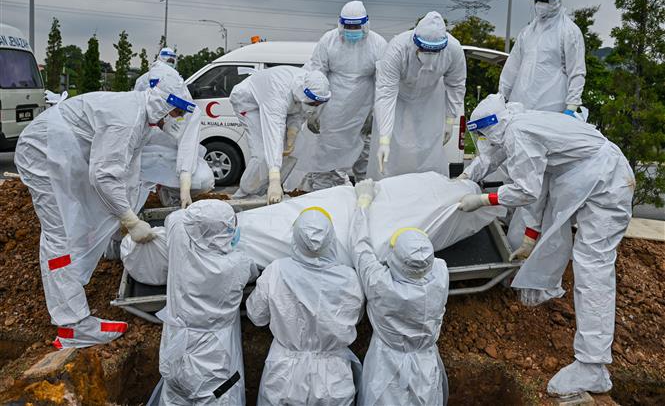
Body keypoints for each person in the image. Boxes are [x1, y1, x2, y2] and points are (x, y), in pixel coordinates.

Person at [458, 94, 634, 397]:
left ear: (492, 127)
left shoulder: (518, 133)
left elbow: (526, 190)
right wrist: (529, 237)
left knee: (592, 267)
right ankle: (591, 363)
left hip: (606, 185)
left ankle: (592, 366)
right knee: (582, 259)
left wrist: (483, 199)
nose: (484, 141)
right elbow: (537, 190)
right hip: (597, 180)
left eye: (483, 134)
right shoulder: (522, 126)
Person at [15, 64, 194, 348]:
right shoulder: (128, 117)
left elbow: (127, 170)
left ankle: (71, 297)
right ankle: (73, 326)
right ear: (163, 103)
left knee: (79, 220)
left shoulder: (142, 118)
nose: (176, 118)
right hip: (43, 152)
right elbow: (103, 175)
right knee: (59, 234)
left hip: (66, 152)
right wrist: (130, 221)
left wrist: (124, 216)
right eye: (176, 111)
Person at [246, 207, 364, 405]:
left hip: (284, 376)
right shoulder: (349, 278)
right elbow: (354, 319)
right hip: (333, 379)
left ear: (295, 239)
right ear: (332, 239)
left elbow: (257, 316)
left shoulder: (276, 271)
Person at [350, 179, 450, 405]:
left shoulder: (380, 282)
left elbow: (360, 247)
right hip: (425, 364)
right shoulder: (440, 275)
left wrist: (363, 204)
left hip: (385, 364)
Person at [158, 200, 257, 405]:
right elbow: (253, 272)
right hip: (212, 362)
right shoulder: (237, 265)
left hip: (174, 348)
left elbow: (176, 218)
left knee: (175, 398)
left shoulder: (178, 238)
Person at [298, 0, 387, 189]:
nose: (351, 30)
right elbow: (316, 73)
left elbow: (384, 82)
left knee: (365, 161)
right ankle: (323, 202)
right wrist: (314, 112)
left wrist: (375, 113)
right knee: (325, 161)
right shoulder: (328, 40)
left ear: (365, 25)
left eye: (356, 26)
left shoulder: (378, 44)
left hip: (363, 113)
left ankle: (367, 202)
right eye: (348, 26)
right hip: (332, 112)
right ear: (340, 24)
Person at [368, 11, 466, 179]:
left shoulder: (454, 49)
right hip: (398, 96)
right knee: (392, 147)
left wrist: (450, 119)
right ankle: (388, 184)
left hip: (431, 95)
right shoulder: (397, 48)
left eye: (434, 51)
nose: (428, 55)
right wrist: (384, 139)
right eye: (424, 49)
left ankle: (427, 184)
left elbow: (456, 84)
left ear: (443, 46)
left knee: (429, 144)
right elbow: (386, 94)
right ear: (415, 41)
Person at [230, 67, 331, 204]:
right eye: (313, 102)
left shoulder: (304, 88)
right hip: (248, 103)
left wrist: (292, 134)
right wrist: (274, 177)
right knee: (262, 154)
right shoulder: (277, 91)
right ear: (303, 92)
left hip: (275, 104)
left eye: (319, 103)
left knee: (296, 148)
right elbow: (273, 133)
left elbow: (298, 112)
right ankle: (245, 193)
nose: (315, 106)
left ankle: (269, 190)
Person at [499, 0, 586, 116]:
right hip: (519, 107)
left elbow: (576, 71)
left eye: (544, 0)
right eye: (537, 0)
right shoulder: (527, 32)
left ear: (556, 0)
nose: (540, 4)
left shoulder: (569, 31)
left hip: (552, 110)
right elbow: (512, 67)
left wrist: (572, 106)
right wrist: (501, 97)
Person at [136, 62, 214, 209]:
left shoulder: (183, 98)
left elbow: (188, 145)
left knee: (204, 179)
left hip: (163, 152)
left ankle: (168, 194)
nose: (178, 115)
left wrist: (185, 184)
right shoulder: (142, 86)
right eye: (177, 111)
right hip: (141, 151)